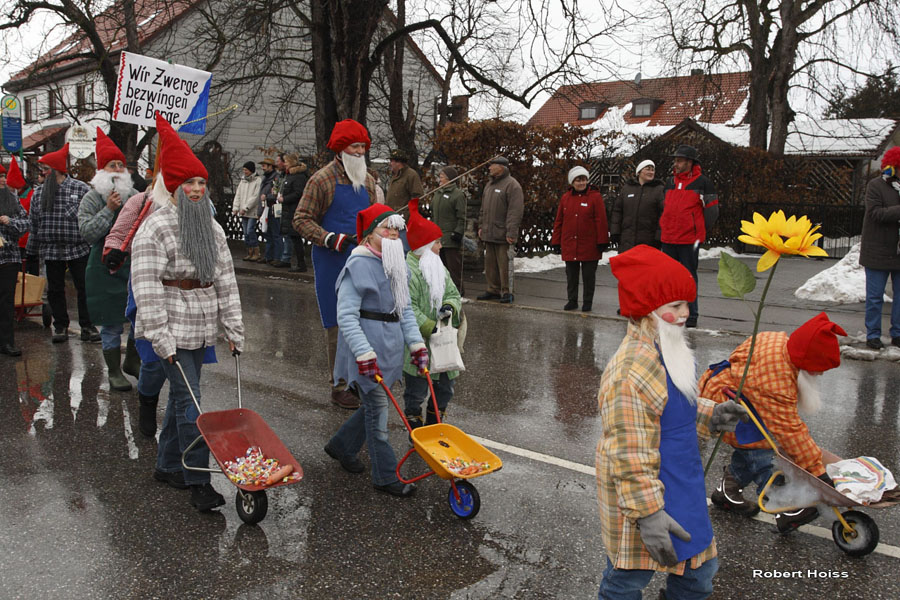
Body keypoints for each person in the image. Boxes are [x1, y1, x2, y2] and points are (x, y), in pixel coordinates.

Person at [596, 244, 747, 600]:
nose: (685, 314)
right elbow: (629, 454)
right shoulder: (629, 373)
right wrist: (648, 514)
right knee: (627, 580)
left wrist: (711, 414)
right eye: (675, 306)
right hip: (644, 492)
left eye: (687, 304)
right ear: (646, 311)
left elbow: (673, 408)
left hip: (682, 481)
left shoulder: (668, 349)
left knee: (699, 573)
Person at [131, 114, 244, 512]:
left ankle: (167, 465)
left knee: (186, 397)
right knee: (191, 402)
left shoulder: (212, 228)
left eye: (201, 183)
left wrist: (234, 327)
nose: (196, 189)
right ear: (173, 187)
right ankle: (199, 481)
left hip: (200, 322)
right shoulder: (155, 228)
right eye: (188, 183)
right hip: (169, 323)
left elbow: (225, 279)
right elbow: (146, 287)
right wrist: (159, 337)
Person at [699, 312, 846, 533]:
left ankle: (727, 491)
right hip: (728, 408)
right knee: (763, 456)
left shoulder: (779, 340)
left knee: (748, 451)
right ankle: (784, 508)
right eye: (819, 370)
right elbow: (790, 431)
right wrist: (819, 473)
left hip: (731, 394)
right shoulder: (776, 381)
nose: (821, 375)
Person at [323, 203, 426, 497]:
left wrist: (416, 344)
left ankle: (341, 445)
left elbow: (405, 311)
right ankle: (385, 475)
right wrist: (363, 353)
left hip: (390, 347)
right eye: (386, 229)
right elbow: (346, 316)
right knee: (379, 412)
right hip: (366, 348)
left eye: (396, 229)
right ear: (369, 234)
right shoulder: (357, 265)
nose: (393, 234)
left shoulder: (397, 265)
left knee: (374, 404)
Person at [293, 119, 377, 410]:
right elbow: (301, 219)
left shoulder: (369, 180)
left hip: (363, 260)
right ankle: (340, 384)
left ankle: (361, 380)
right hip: (332, 261)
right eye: (354, 146)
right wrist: (330, 238)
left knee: (365, 319)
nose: (360, 151)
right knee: (338, 323)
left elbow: (375, 219)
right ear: (340, 149)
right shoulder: (322, 180)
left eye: (363, 146)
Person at [103, 176, 168, 437]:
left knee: (184, 364)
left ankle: (179, 430)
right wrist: (113, 249)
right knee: (150, 348)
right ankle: (147, 398)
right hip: (145, 279)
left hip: (182, 292)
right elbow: (119, 232)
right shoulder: (140, 201)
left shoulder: (197, 204)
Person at [77, 128, 140, 391]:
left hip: (134, 266)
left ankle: (133, 361)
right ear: (101, 171)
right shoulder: (91, 198)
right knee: (112, 323)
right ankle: (114, 371)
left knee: (139, 318)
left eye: (120, 165)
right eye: (111, 165)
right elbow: (87, 233)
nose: (117, 169)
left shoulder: (135, 196)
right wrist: (108, 210)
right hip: (104, 268)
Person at [27, 144, 100, 343]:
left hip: (78, 248)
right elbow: (34, 224)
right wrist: (31, 253)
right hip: (51, 250)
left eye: (46, 169)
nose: (42, 172)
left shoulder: (81, 188)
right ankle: (60, 326)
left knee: (85, 288)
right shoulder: (38, 193)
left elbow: (91, 216)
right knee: (55, 290)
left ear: (57, 169)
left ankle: (88, 326)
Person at [402, 199, 463, 428]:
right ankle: (415, 430)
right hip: (419, 344)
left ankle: (435, 424)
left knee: (445, 389)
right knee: (416, 391)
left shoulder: (438, 266)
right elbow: (408, 307)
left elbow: (453, 293)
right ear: (424, 246)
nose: (440, 246)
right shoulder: (408, 272)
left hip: (444, 343)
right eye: (436, 242)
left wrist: (450, 306)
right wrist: (430, 326)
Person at [659, 145, 719, 328]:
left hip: (689, 240)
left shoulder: (703, 183)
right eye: (675, 160)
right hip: (668, 238)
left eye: (679, 160)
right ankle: (670, 312)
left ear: (690, 162)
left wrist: (697, 229)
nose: (676, 164)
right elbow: (665, 208)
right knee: (669, 279)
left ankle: (691, 314)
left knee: (688, 278)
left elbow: (712, 211)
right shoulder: (669, 182)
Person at [550, 166, 609, 312]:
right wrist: (556, 241)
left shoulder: (595, 197)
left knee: (589, 276)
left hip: (589, 244)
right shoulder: (565, 198)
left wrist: (602, 241)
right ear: (572, 182)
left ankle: (587, 301)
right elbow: (559, 221)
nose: (581, 183)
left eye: (584, 179)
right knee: (571, 275)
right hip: (570, 243)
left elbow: (601, 220)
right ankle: (572, 300)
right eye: (578, 180)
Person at [859, 146, 900, 350]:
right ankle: (873, 334)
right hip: (877, 251)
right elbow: (875, 213)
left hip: (898, 252)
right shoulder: (875, 186)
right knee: (875, 297)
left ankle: (898, 334)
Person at [477, 156, 523, 304]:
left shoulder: (512, 185)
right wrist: (481, 226)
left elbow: (515, 212)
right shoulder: (489, 185)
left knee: (504, 265)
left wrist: (511, 232)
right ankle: (493, 289)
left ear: (501, 167)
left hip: (503, 233)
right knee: (490, 264)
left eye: (493, 165)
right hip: (488, 232)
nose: (489, 168)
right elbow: (483, 209)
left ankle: (507, 291)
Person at [0, 162, 30, 356]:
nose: (3, 180)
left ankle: (7, 342)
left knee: (6, 302)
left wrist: (9, 222)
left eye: (3, 176)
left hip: (8, 258)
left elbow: (25, 223)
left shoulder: (12, 200)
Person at [610, 159, 664, 253]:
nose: (651, 172)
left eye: (653, 170)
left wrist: (659, 237)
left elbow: (663, 214)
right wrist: (615, 232)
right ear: (639, 172)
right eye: (648, 169)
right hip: (627, 241)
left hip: (649, 241)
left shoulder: (659, 190)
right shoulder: (627, 189)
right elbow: (617, 211)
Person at [431, 165, 467, 296]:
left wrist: (458, 232)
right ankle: (442, 291)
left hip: (451, 237)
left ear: (449, 179)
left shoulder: (457, 195)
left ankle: (458, 291)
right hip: (437, 237)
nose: (439, 180)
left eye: (442, 177)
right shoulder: (437, 193)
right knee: (439, 267)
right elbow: (433, 214)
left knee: (453, 267)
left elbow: (462, 216)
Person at [279, 153, 309, 272]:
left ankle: (301, 264)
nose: (284, 164)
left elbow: (298, 193)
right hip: (288, 210)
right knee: (293, 237)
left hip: (294, 210)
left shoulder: (298, 176)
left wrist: (285, 199)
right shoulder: (290, 175)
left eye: (286, 161)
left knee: (296, 238)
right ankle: (299, 263)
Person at [232, 161, 262, 262]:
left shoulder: (257, 181)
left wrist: (245, 208)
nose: (245, 172)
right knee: (245, 233)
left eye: (246, 170)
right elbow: (238, 195)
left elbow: (255, 197)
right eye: (244, 170)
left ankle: (256, 252)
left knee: (250, 230)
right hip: (243, 211)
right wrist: (235, 207)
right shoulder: (243, 181)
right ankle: (249, 252)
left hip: (252, 211)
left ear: (251, 170)